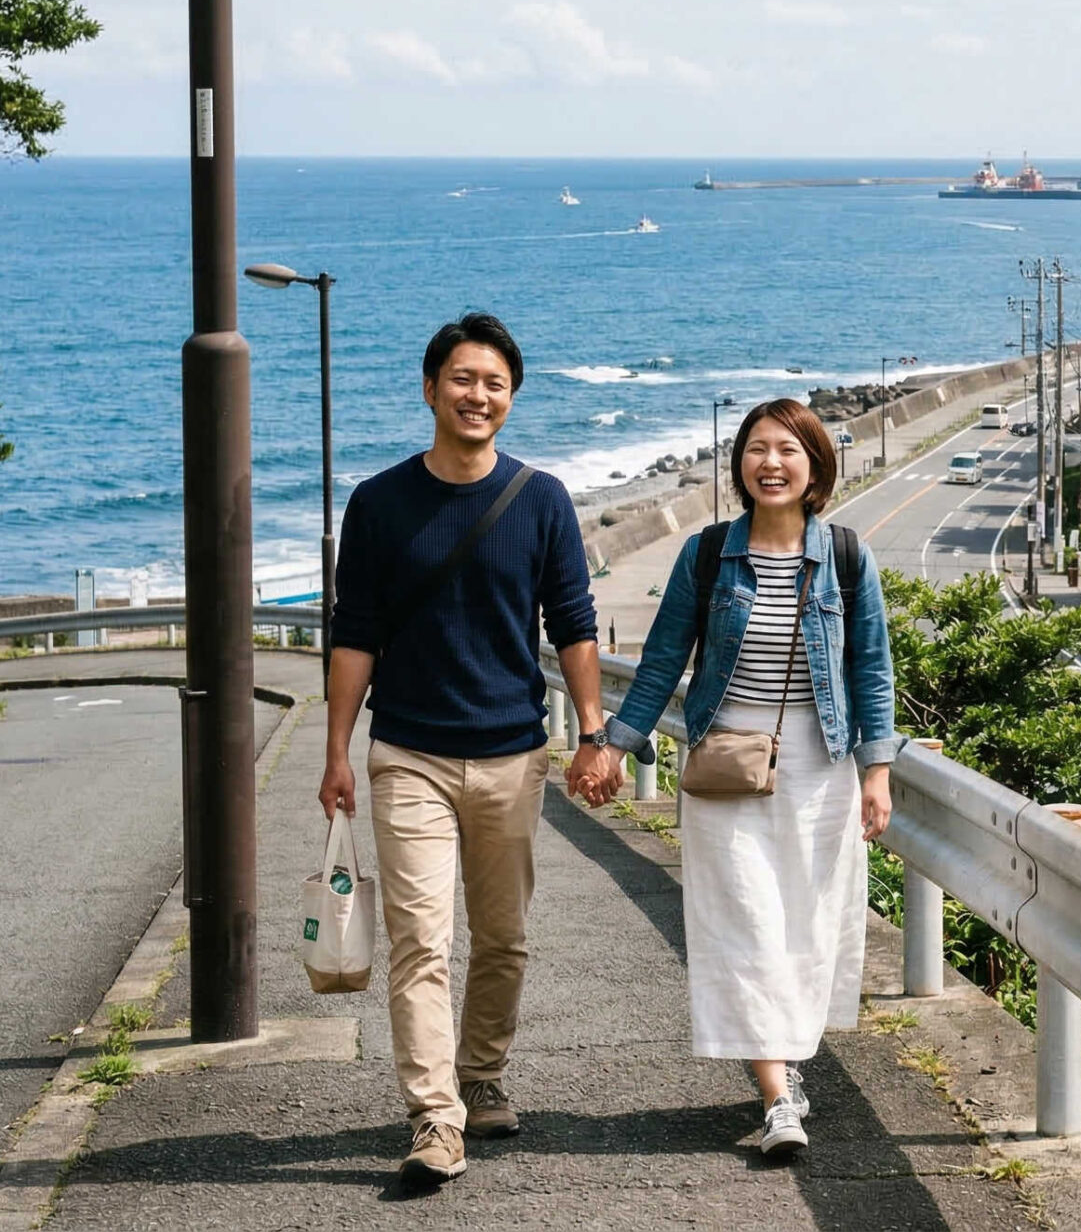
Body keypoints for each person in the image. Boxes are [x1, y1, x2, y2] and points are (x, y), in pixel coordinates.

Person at [322, 314, 607, 1188]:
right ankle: (435, 1117)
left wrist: (592, 732)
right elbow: (355, 632)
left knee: (504, 937)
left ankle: (481, 1074)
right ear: (429, 389)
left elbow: (573, 623)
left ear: (510, 398)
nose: (477, 394)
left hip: (513, 754)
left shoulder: (542, 497)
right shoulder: (379, 502)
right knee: (421, 941)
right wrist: (337, 749)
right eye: (462, 379)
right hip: (407, 751)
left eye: (494, 383)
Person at [598, 398, 901, 1159]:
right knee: (744, 925)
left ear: (815, 465)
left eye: (788, 449)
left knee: (803, 924)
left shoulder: (847, 554)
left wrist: (878, 770)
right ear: (739, 464)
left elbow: (870, 669)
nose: (771, 462)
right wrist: (612, 742)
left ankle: (787, 1068)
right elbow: (662, 661)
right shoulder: (706, 554)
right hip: (726, 762)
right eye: (757, 448)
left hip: (819, 764)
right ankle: (777, 1096)